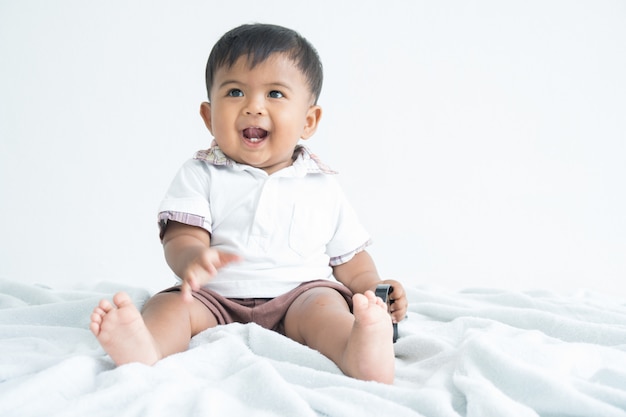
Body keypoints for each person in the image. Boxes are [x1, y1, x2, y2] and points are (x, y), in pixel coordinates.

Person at [90, 23, 407, 384]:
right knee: (170, 305)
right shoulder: (201, 173)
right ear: (209, 117)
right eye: (236, 92)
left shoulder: (321, 184)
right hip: (215, 298)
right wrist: (194, 259)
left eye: (274, 94)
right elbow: (180, 237)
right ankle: (145, 347)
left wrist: (373, 289)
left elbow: (350, 258)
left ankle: (361, 348)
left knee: (328, 309)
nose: (253, 107)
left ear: (308, 120)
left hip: (298, 296)